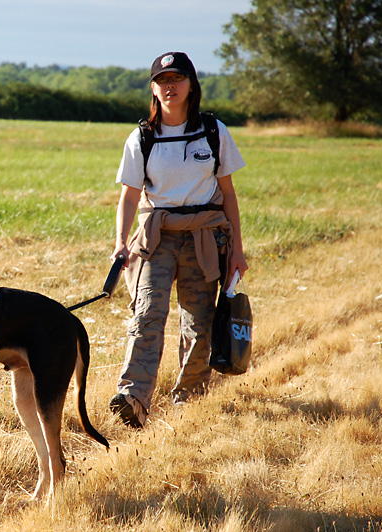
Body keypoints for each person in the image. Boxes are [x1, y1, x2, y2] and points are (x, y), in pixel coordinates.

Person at [108, 52, 248, 428]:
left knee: (199, 321)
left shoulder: (214, 130)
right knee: (148, 313)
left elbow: (229, 194)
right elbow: (129, 195)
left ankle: (190, 398)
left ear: (191, 86)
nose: (170, 86)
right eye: (162, 80)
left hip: (205, 236)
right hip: (157, 236)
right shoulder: (142, 138)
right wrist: (121, 242)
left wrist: (236, 250)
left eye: (177, 79)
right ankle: (134, 397)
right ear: (153, 89)